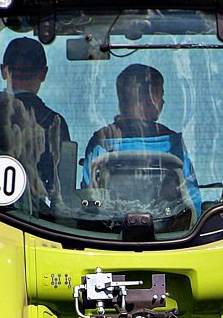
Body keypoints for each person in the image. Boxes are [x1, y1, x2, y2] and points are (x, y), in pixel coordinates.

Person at [84, 63, 200, 218]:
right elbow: (193, 202)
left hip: (109, 234)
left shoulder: (101, 143)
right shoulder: (174, 146)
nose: (163, 102)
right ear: (149, 99)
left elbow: (89, 199)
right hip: (172, 233)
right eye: (161, 96)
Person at [0, 37, 75, 210]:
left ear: (3, 70)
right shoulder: (56, 122)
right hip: (38, 217)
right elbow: (61, 185)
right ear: (43, 73)